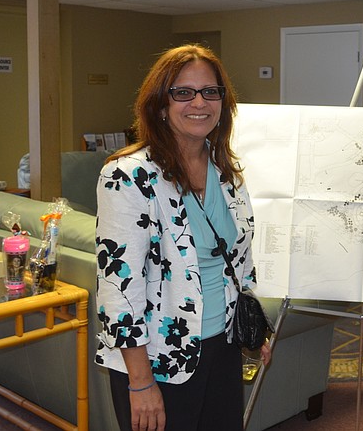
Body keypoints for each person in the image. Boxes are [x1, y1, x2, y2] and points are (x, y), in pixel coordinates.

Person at [94, 44, 271, 431]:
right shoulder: (129, 176)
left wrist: (252, 326)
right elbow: (117, 290)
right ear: (160, 104)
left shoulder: (226, 172)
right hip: (157, 359)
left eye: (211, 92)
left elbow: (239, 261)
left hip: (222, 348)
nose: (199, 103)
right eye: (183, 92)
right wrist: (141, 383)